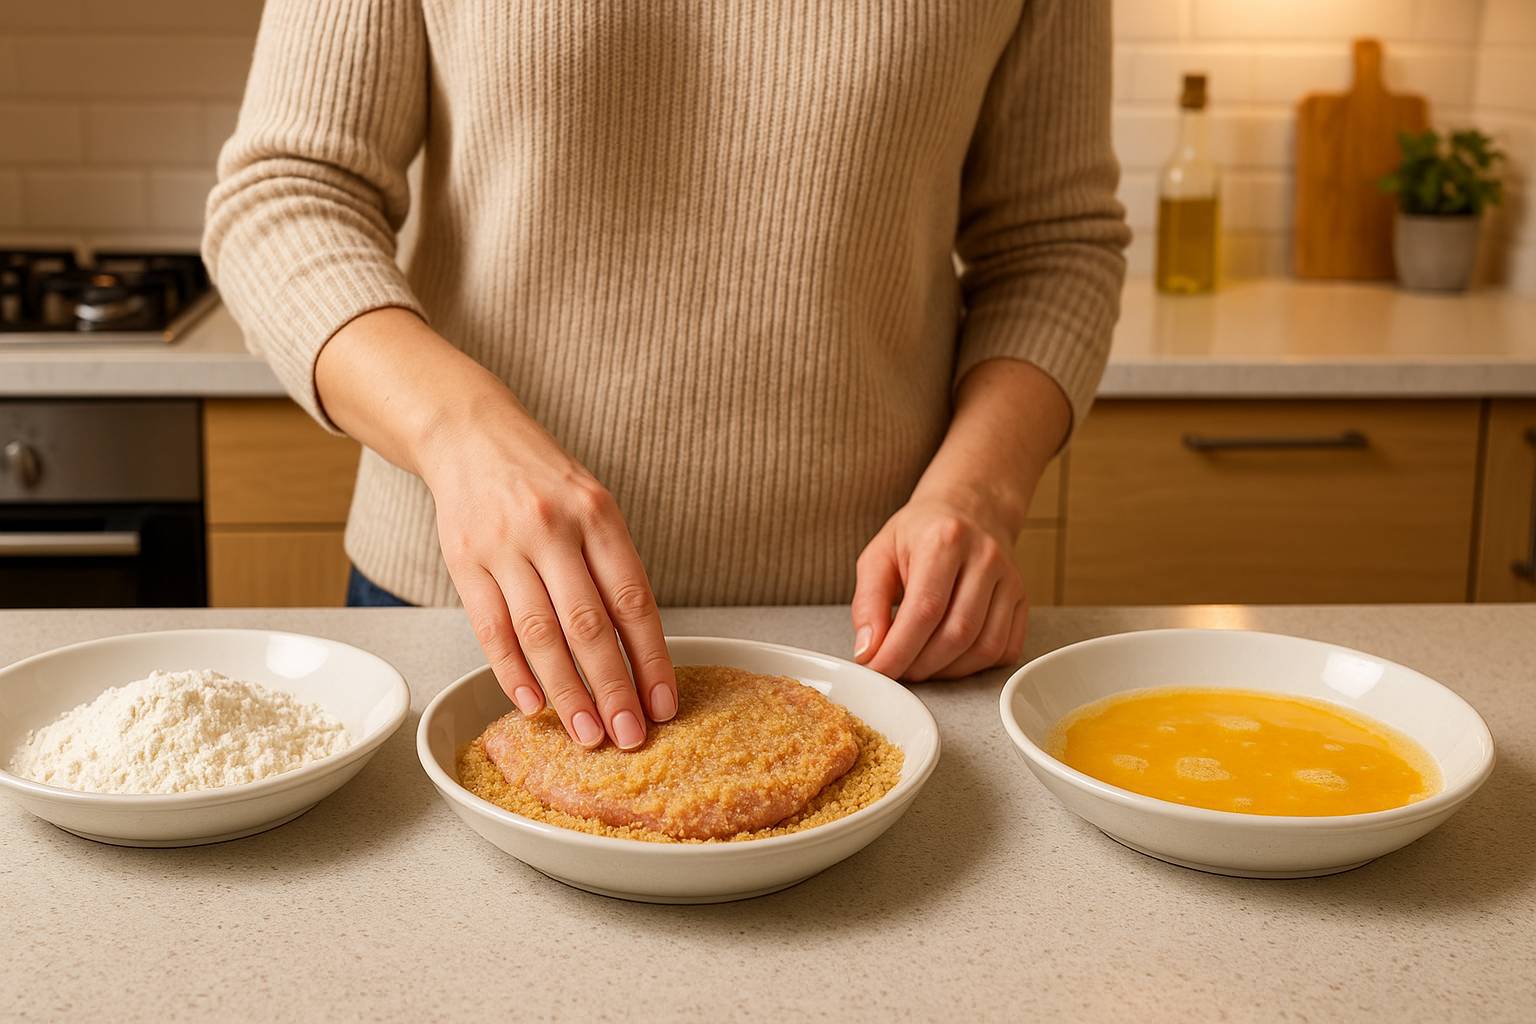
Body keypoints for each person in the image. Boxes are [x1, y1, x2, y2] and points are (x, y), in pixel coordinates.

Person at [204, 0, 1129, 753]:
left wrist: (981, 492)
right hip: (474, 612)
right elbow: (287, 191)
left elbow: (1052, 246)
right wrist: (463, 435)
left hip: (875, 635)